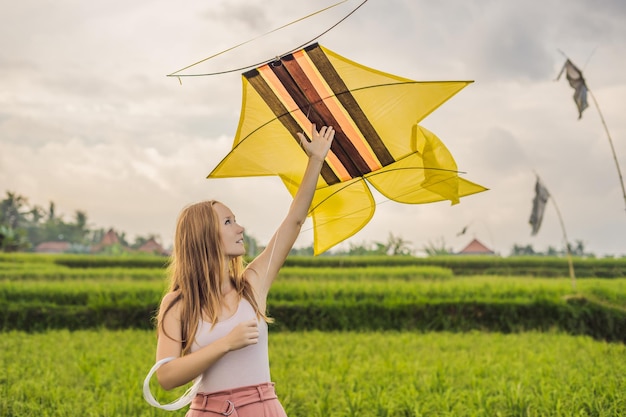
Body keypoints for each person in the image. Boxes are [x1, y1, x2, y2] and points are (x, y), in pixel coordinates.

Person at [154, 124, 335, 416]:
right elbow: (166, 377)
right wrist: (225, 343)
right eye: (228, 222)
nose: (240, 228)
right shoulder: (177, 304)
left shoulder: (252, 285)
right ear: (204, 235)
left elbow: (294, 221)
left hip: (261, 408)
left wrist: (316, 160)